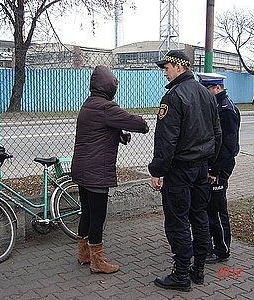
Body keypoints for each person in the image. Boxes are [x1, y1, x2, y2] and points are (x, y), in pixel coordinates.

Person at [149, 50, 222, 291]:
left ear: (180, 67)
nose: (164, 71)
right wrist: (211, 164)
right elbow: (216, 133)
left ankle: (181, 275)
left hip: (180, 170)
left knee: (178, 220)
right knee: (199, 215)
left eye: (167, 66)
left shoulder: (174, 96)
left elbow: (166, 140)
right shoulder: (206, 93)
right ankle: (198, 269)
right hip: (201, 168)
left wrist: (157, 170)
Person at [71, 65, 149, 274]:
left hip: (83, 169)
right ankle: (97, 262)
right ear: (109, 86)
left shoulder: (89, 104)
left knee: (87, 212)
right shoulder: (106, 107)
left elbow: (97, 131)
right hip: (97, 172)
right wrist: (143, 123)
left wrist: (118, 134)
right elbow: (138, 123)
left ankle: (83, 254)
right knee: (98, 216)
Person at [197, 73, 241, 264]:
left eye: (205, 89)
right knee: (206, 207)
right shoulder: (214, 105)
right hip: (210, 165)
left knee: (216, 208)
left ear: (216, 88)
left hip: (218, 167)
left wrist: (215, 171)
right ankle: (206, 246)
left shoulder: (226, 110)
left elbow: (229, 146)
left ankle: (222, 249)